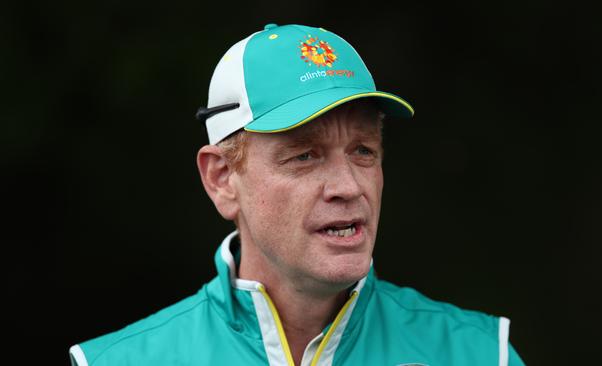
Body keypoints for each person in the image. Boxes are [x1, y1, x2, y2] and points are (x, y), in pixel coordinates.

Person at [69, 23, 525, 366]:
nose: (348, 186)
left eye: (363, 150)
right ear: (222, 179)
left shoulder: (482, 354)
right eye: (305, 156)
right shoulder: (116, 362)